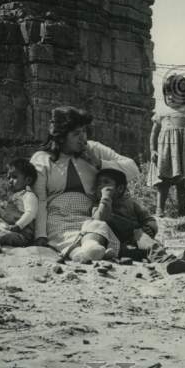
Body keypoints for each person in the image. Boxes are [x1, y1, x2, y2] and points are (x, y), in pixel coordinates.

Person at [30, 106, 140, 258]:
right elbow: (40, 200)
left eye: (84, 131)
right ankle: (81, 254)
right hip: (58, 217)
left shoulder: (94, 149)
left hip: (90, 214)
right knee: (60, 233)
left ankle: (92, 247)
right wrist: (40, 235)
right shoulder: (41, 159)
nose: (83, 138)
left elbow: (133, 169)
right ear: (61, 137)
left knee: (97, 227)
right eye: (76, 134)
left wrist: (99, 163)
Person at [69, 165, 160, 263]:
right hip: (115, 240)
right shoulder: (98, 205)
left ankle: (162, 257)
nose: (101, 186)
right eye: (98, 184)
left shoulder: (131, 203)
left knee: (143, 238)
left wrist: (150, 228)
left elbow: (149, 219)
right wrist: (105, 199)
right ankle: (139, 254)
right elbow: (98, 220)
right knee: (123, 250)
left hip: (135, 235)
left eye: (106, 182)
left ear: (120, 188)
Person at [148, 73, 185, 217]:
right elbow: (154, 133)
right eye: (167, 93)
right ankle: (159, 210)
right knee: (163, 183)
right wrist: (152, 150)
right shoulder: (162, 112)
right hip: (165, 152)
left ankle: (182, 212)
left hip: (183, 152)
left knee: (182, 183)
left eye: (174, 92)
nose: (170, 96)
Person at [0, 158, 39, 247]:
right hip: (9, 227)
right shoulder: (14, 196)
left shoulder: (28, 195)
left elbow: (30, 213)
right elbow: (9, 212)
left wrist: (18, 226)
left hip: (22, 234)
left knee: (5, 236)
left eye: (14, 177)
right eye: (9, 177)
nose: (10, 180)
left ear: (28, 180)